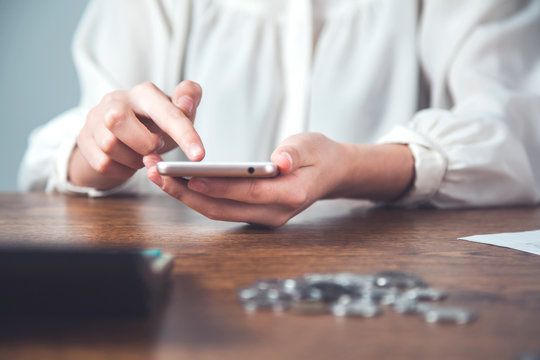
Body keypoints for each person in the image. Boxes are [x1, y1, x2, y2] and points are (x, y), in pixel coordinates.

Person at [19, 0, 540, 227]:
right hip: (188, 297)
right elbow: (63, 148)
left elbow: (515, 134)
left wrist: (353, 167)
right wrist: (105, 147)